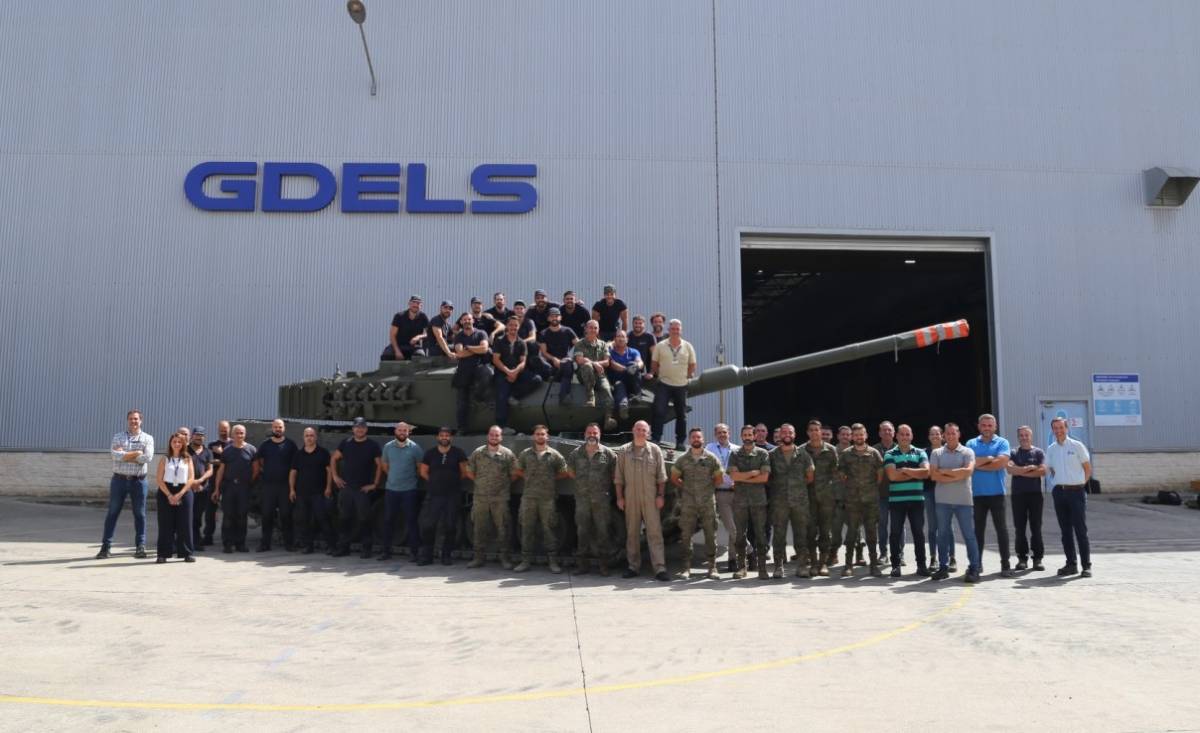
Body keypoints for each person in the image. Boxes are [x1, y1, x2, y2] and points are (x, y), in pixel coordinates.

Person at [615, 420, 670, 581]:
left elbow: (661, 477)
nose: (640, 432)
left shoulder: (655, 450)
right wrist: (619, 497)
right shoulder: (624, 451)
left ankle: (659, 568)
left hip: (651, 498)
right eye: (638, 429)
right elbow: (618, 478)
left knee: (655, 533)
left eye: (644, 430)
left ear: (648, 432)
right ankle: (633, 566)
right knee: (632, 533)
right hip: (631, 497)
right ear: (633, 430)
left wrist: (660, 495)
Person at [97, 409, 155, 559]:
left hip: (139, 481)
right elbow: (114, 455)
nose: (133, 421)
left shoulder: (148, 438)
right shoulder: (118, 436)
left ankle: (140, 547)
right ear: (127, 420)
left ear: (141, 421)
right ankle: (105, 547)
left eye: (136, 419)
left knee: (140, 514)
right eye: (131, 419)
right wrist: (136, 454)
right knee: (112, 513)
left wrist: (125, 455)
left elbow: (147, 458)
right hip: (119, 480)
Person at [513, 425, 569, 573]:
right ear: (534, 436)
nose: (540, 436)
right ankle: (525, 561)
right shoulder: (526, 454)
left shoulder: (554, 455)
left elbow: (564, 472)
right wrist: (529, 477)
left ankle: (553, 562)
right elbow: (518, 469)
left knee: (549, 529)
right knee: (526, 528)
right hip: (529, 497)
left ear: (547, 437)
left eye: (542, 434)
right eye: (537, 434)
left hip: (547, 498)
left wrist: (550, 479)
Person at [929, 423, 980, 583]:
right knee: (942, 535)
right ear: (944, 435)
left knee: (969, 536)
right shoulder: (937, 453)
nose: (951, 436)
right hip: (942, 501)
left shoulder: (967, 451)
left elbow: (968, 472)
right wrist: (956, 474)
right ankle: (943, 567)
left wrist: (944, 471)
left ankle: (974, 568)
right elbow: (934, 476)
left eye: (953, 433)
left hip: (963, 501)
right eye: (948, 433)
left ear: (959, 434)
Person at [671, 427, 724, 579]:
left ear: (703, 439)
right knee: (686, 535)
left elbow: (719, 479)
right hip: (688, 502)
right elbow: (675, 477)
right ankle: (686, 568)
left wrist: (707, 488)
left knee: (710, 534)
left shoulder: (711, 458)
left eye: (699, 437)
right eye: (693, 437)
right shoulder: (682, 459)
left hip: (707, 502)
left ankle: (712, 568)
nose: (696, 439)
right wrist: (686, 487)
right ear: (689, 440)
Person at [567, 423, 618, 576]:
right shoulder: (576, 453)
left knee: (602, 533)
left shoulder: (608, 454)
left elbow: (615, 475)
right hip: (582, 499)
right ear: (585, 434)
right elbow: (570, 472)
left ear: (599, 434)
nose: (592, 435)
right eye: (589, 432)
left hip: (601, 500)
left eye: (595, 432)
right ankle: (582, 565)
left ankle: (604, 566)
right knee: (582, 532)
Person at [967, 413, 1014, 577]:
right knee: (977, 531)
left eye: (990, 425)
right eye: (984, 425)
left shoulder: (1003, 442)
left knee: (1002, 530)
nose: (987, 428)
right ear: (979, 426)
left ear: (995, 427)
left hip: (997, 494)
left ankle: (1006, 565)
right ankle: (977, 564)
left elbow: (1001, 463)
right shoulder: (971, 443)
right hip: (977, 495)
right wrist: (989, 459)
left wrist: (979, 464)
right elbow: (968, 464)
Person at [1045, 417, 1093, 578]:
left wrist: (1081, 484)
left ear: (1067, 428)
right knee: (1065, 531)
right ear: (1052, 430)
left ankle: (1086, 566)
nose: (1058, 430)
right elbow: (1051, 469)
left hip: (1076, 492)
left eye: (1061, 427)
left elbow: (1087, 468)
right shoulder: (1051, 449)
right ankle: (1071, 564)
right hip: (1059, 492)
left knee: (1080, 530)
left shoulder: (1077, 446)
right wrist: (1060, 483)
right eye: (1055, 428)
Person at [465, 425, 518, 569]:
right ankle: (478, 558)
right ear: (488, 436)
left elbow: (514, 473)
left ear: (501, 437)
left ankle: (505, 559)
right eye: (492, 435)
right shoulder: (478, 452)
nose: (494, 437)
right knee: (479, 528)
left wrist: (503, 484)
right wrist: (480, 482)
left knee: (503, 529)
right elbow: (469, 471)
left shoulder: (507, 454)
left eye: (497, 435)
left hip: (500, 498)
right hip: (481, 497)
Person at [330, 417, 383, 558]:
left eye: (362, 427)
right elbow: (334, 458)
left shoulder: (372, 445)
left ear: (366, 429)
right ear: (353, 429)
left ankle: (367, 549)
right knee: (344, 518)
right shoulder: (346, 443)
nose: (360, 429)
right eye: (357, 427)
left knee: (364, 519)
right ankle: (343, 547)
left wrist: (375, 484)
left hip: (362, 488)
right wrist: (335, 476)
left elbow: (379, 465)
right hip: (346, 487)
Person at [768, 423, 815, 578]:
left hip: (799, 502)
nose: (787, 434)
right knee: (779, 535)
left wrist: (796, 487)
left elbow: (810, 477)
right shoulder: (772, 455)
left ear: (794, 435)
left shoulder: (803, 454)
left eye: (790, 432)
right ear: (780, 435)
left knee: (801, 535)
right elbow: (768, 477)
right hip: (779, 502)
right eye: (784, 432)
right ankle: (778, 567)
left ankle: (802, 566)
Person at [883, 425, 931, 578]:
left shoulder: (920, 452)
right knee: (895, 533)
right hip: (897, 500)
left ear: (911, 436)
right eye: (902, 434)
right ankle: (895, 566)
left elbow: (926, 472)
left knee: (919, 534)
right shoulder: (889, 454)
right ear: (897, 436)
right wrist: (914, 472)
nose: (904, 437)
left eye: (907, 434)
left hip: (917, 500)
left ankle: (921, 566)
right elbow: (892, 476)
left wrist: (903, 470)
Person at [418, 427, 468, 566]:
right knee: (429, 525)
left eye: (447, 435)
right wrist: (434, 482)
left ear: (451, 438)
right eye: (442, 435)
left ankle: (446, 555)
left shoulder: (458, 452)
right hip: (434, 495)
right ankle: (427, 556)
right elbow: (423, 471)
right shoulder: (430, 453)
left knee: (450, 526)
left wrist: (452, 482)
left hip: (452, 494)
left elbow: (464, 472)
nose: (444, 437)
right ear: (438, 437)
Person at [839, 423, 884, 577]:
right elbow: (842, 475)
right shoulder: (845, 454)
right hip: (852, 501)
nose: (859, 437)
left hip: (870, 500)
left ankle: (873, 565)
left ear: (866, 436)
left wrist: (868, 488)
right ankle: (848, 565)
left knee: (871, 533)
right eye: (856, 434)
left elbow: (880, 475)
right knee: (851, 533)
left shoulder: (874, 453)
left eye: (861, 434)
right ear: (852, 436)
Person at [728, 425, 771, 579]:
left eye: (749, 434)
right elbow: (733, 477)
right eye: (744, 434)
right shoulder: (734, 454)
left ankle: (762, 569)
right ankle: (741, 568)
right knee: (740, 535)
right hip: (740, 501)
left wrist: (742, 476)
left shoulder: (762, 453)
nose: (747, 437)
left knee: (761, 535)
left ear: (754, 436)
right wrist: (753, 473)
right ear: (741, 437)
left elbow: (764, 478)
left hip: (758, 501)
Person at [379, 421, 424, 561]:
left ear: (409, 432)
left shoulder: (415, 448)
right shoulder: (388, 447)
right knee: (388, 520)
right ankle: (386, 552)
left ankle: (414, 553)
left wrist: (408, 480)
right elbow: (385, 466)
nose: (402, 433)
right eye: (400, 430)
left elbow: (419, 468)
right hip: (391, 489)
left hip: (409, 490)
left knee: (411, 521)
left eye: (405, 430)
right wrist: (394, 478)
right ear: (395, 431)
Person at [649, 319, 697, 449]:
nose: (675, 331)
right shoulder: (661, 345)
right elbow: (654, 363)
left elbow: (692, 364)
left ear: (680, 330)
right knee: (659, 411)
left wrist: (687, 376)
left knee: (681, 414)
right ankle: (656, 438)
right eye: (673, 329)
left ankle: (680, 441)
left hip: (681, 385)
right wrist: (660, 374)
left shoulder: (687, 346)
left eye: (677, 329)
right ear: (669, 330)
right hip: (664, 383)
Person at [289, 427, 335, 554]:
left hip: (318, 492)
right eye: (307, 435)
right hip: (302, 493)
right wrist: (292, 490)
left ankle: (331, 545)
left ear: (316, 437)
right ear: (303, 438)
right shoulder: (298, 454)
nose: (309, 438)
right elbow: (293, 472)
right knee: (304, 520)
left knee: (323, 519)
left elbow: (329, 471)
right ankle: (308, 546)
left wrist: (328, 487)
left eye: (311, 435)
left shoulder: (323, 452)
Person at [803, 419, 840, 576]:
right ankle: (813, 562)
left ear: (820, 432)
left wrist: (833, 492)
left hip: (826, 497)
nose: (814, 433)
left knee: (826, 532)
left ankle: (823, 563)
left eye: (816, 430)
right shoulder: (802, 450)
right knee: (810, 531)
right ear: (808, 432)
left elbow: (837, 473)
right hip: (808, 497)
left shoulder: (831, 450)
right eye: (811, 430)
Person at [1008, 425, 1047, 571]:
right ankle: (1022, 558)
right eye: (1021, 435)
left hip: (1035, 495)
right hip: (1018, 496)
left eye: (1026, 435)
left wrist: (1020, 472)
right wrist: (1029, 469)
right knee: (1020, 528)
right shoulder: (1013, 452)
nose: (1024, 437)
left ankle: (1037, 559)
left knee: (1036, 527)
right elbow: (1010, 469)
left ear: (1031, 436)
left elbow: (1043, 471)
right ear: (1018, 437)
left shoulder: (1038, 452)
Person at [213, 424, 257, 553]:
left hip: (244, 488)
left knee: (242, 516)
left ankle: (240, 544)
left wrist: (249, 482)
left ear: (245, 434)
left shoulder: (252, 450)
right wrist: (217, 489)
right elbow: (221, 471)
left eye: (242, 433)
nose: (239, 435)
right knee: (228, 516)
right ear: (232, 435)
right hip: (229, 487)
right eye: (237, 433)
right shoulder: (227, 451)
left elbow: (256, 469)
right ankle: (227, 544)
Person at [255, 419, 298, 552]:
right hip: (269, 486)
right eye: (275, 427)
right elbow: (258, 460)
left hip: (285, 486)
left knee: (286, 515)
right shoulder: (265, 445)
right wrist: (264, 470)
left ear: (284, 428)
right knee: (267, 515)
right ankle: (265, 544)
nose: (278, 429)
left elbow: (295, 464)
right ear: (272, 428)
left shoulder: (290, 445)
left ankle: (289, 544)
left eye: (280, 427)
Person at [492, 317, 543, 428]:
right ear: (507, 327)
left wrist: (515, 372)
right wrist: (508, 372)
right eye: (511, 325)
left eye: (515, 325)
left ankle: (514, 396)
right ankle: (501, 426)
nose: (513, 328)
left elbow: (523, 362)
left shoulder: (521, 343)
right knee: (501, 395)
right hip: (502, 372)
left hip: (517, 371)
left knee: (537, 380)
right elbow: (496, 360)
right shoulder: (499, 341)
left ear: (518, 327)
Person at [155, 431, 196, 563]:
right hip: (166, 491)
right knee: (166, 524)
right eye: (174, 442)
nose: (177, 444)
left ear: (183, 444)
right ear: (170, 444)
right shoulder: (165, 459)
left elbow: (191, 479)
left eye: (179, 442)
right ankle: (163, 553)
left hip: (184, 491)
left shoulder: (188, 459)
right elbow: (159, 479)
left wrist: (179, 494)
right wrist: (169, 495)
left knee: (185, 523)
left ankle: (187, 553)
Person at [706, 423, 739, 573]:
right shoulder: (710, 449)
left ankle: (733, 559)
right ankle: (750, 549)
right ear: (715, 435)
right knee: (730, 527)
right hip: (719, 492)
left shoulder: (737, 449)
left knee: (735, 526)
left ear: (729, 433)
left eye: (724, 432)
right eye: (719, 433)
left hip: (735, 492)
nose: (722, 435)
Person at [451, 311, 490, 433]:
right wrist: (476, 350)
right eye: (464, 320)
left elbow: (484, 349)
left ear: (473, 320)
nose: (467, 321)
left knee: (488, 374)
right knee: (462, 402)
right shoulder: (459, 336)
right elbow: (460, 353)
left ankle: (478, 396)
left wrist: (468, 348)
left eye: (469, 319)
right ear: (461, 322)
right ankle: (462, 428)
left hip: (479, 366)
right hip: (464, 369)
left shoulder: (481, 333)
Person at [924, 425, 956, 572]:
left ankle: (952, 558)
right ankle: (933, 558)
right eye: (932, 434)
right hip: (930, 493)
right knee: (932, 527)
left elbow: (952, 471)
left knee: (948, 527)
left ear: (942, 436)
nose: (935, 436)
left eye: (937, 434)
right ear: (929, 437)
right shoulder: (924, 453)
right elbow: (927, 473)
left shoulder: (948, 451)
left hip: (946, 492)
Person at [571, 320, 614, 423]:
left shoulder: (603, 344)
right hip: (584, 375)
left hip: (599, 374)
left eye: (595, 328)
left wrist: (596, 364)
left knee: (607, 389)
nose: (593, 330)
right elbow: (579, 359)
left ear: (598, 330)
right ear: (586, 329)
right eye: (591, 327)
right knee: (587, 366)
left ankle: (608, 418)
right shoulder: (580, 344)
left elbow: (607, 362)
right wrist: (594, 363)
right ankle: (591, 397)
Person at [831, 425, 862, 567]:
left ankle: (859, 555)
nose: (845, 437)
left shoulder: (857, 452)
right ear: (838, 436)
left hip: (853, 497)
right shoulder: (831, 452)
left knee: (855, 530)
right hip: (836, 497)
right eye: (843, 434)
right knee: (835, 530)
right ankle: (833, 555)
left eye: (848, 435)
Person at [537, 307, 578, 404]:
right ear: (548, 318)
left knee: (568, 366)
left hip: (565, 361)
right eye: (552, 316)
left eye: (557, 316)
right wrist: (554, 359)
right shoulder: (543, 333)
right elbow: (544, 352)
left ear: (561, 318)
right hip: (550, 363)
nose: (554, 318)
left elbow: (579, 345)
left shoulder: (568, 331)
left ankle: (563, 397)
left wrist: (571, 358)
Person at [199, 421, 230, 548]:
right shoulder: (212, 445)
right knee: (210, 511)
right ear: (218, 430)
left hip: (228, 481)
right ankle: (208, 536)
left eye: (225, 429)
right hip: (212, 481)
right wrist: (222, 460)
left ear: (229, 429)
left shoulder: (234, 444)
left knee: (228, 511)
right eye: (221, 429)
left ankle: (226, 537)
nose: (223, 431)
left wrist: (221, 454)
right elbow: (210, 461)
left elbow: (232, 460)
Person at [873, 421, 898, 566]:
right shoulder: (874, 450)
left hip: (898, 494)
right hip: (880, 495)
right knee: (882, 525)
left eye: (889, 430)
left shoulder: (900, 448)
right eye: (884, 430)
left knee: (898, 526)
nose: (887, 433)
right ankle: (883, 553)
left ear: (893, 432)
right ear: (880, 433)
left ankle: (898, 554)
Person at [186, 427, 214, 553]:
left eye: (201, 435)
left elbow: (210, 469)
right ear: (192, 436)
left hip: (203, 489)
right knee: (186, 516)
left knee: (197, 517)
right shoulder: (185, 450)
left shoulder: (208, 452)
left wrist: (200, 480)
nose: (199, 437)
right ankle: (184, 541)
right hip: (187, 488)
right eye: (197, 435)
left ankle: (196, 541)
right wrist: (192, 482)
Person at [607, 329, 643, 420]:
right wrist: (626, 369)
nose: (621, 339)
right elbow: (612, 364)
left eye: (623, 337)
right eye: (618, 337)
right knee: (619, 385)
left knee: (633, 365)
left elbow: (640, 362)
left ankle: (637, 394)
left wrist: (636, 367)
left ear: (627, 339)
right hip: (617, 381)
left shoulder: (633, 351)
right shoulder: (610, 352)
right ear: (614, 339)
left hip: (631, 381)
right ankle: (623, 406)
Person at [382, 294, 429, 360]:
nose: (415, 305)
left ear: (421, 305)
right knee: (386, 355)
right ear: (409, 304)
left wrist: (418, 337)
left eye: (418, 303)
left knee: (420, 356)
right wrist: (397, 351)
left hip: (414, 347)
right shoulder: (399, 316)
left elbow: (428, 334)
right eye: (413, 302)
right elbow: (392, 335)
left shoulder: (423, 317)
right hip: (399, 345)